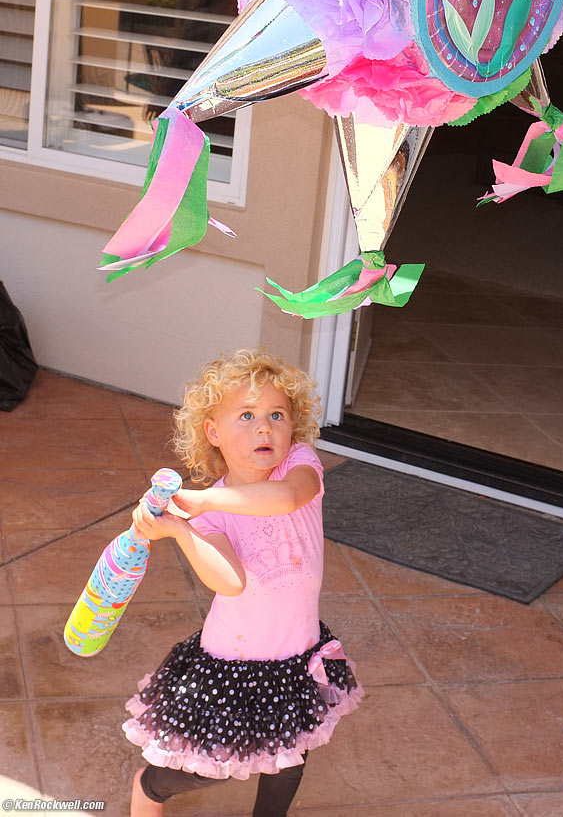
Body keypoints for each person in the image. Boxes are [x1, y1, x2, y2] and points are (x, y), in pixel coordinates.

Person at [124, 348, 363, 816]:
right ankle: (147, 789)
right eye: (247, 415)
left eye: (277, 414)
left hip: (296, 656)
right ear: (213, 432)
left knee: (288, 761)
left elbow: (284, 498)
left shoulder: (299, 464)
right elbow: (229, 580)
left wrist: (200, 503)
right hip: (232, 670)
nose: (264, 427)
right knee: (192, 771)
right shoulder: (207, 509)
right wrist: (181, 529)